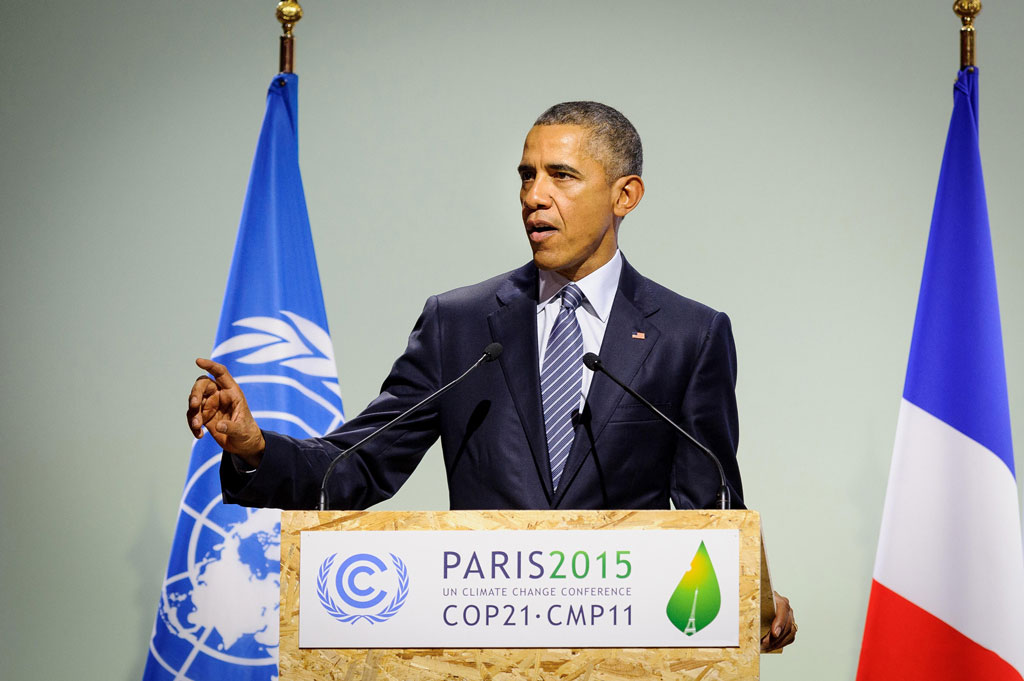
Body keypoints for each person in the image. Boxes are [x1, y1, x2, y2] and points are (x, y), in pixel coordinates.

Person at [186, 101, 796, 650]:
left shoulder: (690, 334)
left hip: (624, 650)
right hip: (480, 647)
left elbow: (710, 508)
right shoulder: (460, 324)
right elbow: (358, 464)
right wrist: (254, 448)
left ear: (625, 195)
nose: (534, 195)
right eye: (526, 176)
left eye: (561, 175)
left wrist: (751, 598)